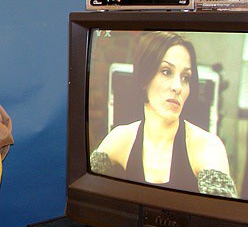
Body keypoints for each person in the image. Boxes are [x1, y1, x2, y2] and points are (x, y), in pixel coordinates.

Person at [89, 31, 238, 198]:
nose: (178, 87)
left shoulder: (208, 147)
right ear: (144, 78)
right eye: (166, 71)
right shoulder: (120, 139)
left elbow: (223, 212)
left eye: (186, 77)